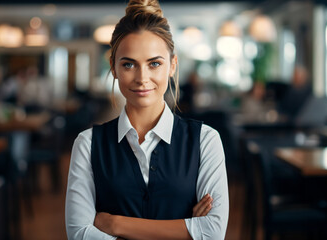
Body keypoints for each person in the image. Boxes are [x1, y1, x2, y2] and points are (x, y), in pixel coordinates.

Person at [65, 0, 229, 239]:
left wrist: (114, 224)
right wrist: (185, 229)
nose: (142, 78)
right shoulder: (87, 144)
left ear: (172, 66)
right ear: (113, 68)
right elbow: (79, 233)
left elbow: (213, 233)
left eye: (154, 64)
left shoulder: (206, 140)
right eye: (129, 64)